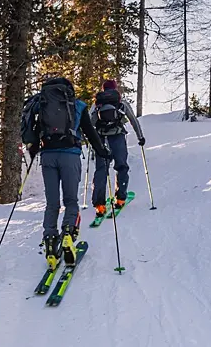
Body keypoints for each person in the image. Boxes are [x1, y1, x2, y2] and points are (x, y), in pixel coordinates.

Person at [23, 76, 111, 268]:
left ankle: (49, 242)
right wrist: (102, 152)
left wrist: (34, 147)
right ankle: (68, 235)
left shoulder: (41, 103)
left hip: (48, 157)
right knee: (71, 200)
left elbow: (32, 128)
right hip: (70, 156)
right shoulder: (77, 105)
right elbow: (90, 132)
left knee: (52, 203)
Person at [90, 79, 145, 217]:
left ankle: (100, 206)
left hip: (101, 139)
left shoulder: (97, 104)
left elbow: (90, 123)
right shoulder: (121, 103)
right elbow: (133, 119)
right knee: (121, 166)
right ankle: (120, 199)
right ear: (115, 89)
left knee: (101, 170)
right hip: (118, 137)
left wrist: (93, 141)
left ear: (103, 89)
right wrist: (140, 137)